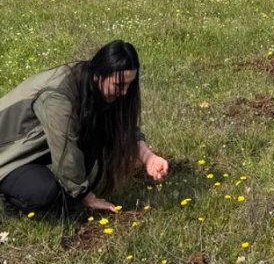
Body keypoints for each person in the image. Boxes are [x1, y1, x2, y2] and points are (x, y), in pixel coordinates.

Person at [0, 40, 169, 216]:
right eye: (119, 85)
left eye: (129, 84)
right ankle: (12, 200)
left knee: (68, 194)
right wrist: (86, 196)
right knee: (45, 193)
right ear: (99, 74)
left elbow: (121, 127)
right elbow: (66, 148)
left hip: (27, 150)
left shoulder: (94, 83)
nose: (125, 92)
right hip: (6, 156)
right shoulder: (58, 97)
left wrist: (148, 157)